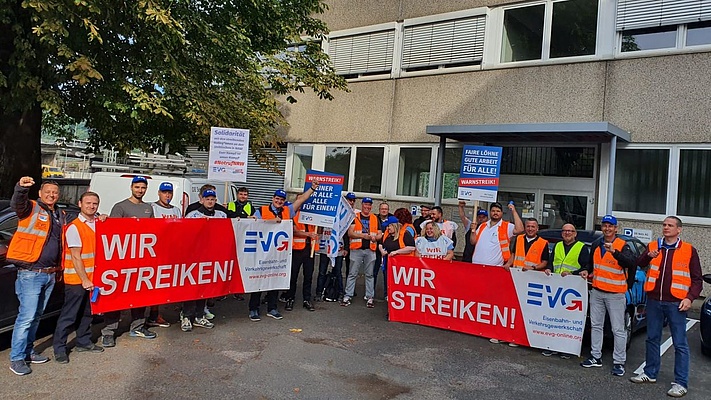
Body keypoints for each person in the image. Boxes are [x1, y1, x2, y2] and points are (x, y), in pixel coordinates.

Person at [629, 216, 703, 398]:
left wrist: (690, 298)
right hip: (654, 300)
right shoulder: (654, 246)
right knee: (652, 338)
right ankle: (650, 373)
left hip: (676, 303)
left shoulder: (688, 250)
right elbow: (639, 264)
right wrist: (648, 255)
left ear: (679, 230)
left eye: (670, 225)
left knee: (680, 344)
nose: (666, 227)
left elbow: (697, 279)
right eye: (664, 225)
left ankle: (680, 383)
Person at [7, 178, 68, 376]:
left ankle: (28, 351)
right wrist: (21, 189)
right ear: (40, 193)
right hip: (30, 273)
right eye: (48, 192)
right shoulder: (31, 208)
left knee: (36, 317)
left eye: (55, 193)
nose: (51, 195)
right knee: (26, 317)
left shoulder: (60, 214)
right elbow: (17, 203)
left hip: (50, 274)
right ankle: (16, 358)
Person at [249, 184, 318, 321]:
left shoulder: (287, 210)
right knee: (259, 281)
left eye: (282, 199)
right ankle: (253, 309)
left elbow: (302, 199)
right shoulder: (262, 210)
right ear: (272, 198)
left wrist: (312, 188)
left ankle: (272, 308)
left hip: (279, 254)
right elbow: (251, 222)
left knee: (275, 280)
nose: (279, 201)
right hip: (263, 252)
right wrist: (270, 221)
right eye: (277, 199)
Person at [101, 176, 156, 348]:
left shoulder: (148, 208)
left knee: (140, 295)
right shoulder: (120, 207)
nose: (140, 190)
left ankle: (138, 327)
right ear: (131, 187)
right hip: (122, 260)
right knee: (117, 296)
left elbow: (153, 231)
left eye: (143, 187)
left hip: (142, 259)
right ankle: (108, 332)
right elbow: (112, 233)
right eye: (137, 187)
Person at [580, 215, 636, 377]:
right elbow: (591, 263)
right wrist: (587, 270)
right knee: (596, 326)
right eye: (604, 226)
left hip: (616, 294)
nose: (607, 228)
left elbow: (631, 263)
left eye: (610, 226)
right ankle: (595, 356)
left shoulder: (623, 245)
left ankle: (619, 362)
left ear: (616, 228)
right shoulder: (597, 244)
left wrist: (615, 252)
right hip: (597, 291)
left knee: (618, 329)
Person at [53, 192, 105, 364]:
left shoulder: (98, 223)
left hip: (93, 278)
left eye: (95, 204)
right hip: (77, 279)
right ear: (80, 204)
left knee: (88, 313)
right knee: (69, 315)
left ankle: (83, 341)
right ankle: (59, 348)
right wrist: (84, 279)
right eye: (88, 203)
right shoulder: (75, 227)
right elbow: (76, 256)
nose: (91, 206)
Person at [541, 223, 589, 359]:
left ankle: (566, 349)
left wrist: (573, 272)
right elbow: (552, 262)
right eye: (565, 231)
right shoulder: (558, 246)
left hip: (572, 289)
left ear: (575, 233)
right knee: (553, 318)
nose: (567, 233)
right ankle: (551, 346)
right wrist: (549, 268)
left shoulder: (582, 247)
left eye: (570, 231)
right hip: (555, 287)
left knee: (567, 321)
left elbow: (587, 267)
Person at [181, 189, 226, 331]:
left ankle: (200, 316)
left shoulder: (222, 215)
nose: (210, 201)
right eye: (207, 199)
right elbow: (185, 235)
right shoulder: (192, 215)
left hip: (211, 257)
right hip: (194, 257)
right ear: (201, 200)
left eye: (213, 199)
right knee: (191, 287)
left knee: (204, 287)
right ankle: (186, 316)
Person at [146, 181, 182, 329]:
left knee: (166, 284)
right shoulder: (152, 208)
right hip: (156, 251)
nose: (167, 195)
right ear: (159, 193)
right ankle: (152, 314)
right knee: (154, 285)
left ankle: (159, 313)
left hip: (171, 251)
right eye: (164, 192)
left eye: (169, 193)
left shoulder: (177, 210)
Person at [342, 197, 382, 307]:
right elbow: (350, 233)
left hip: (370, 250)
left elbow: (379, 233)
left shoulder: (374, 218)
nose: (367, 207)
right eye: (365, 204)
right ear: (362, 205)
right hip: (356, 249)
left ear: (371, 206)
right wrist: (363, 236)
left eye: (369, 205)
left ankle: (370, 297)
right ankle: (348, 295)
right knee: (352, 274)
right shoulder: (356, 217)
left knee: (370, 275)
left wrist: (376, 238)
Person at [283, 210, 318, 312]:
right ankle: (290, 298)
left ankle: (307, 299)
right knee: (293, 276)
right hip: (297, 250)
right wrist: (308, 234)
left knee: (308, 276)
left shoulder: (314, 216)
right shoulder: (294, 215)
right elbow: (293, 231)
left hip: (310, 249)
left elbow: (318, 231)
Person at [377, 216, 415, 305]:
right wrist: (382, 250)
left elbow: (411, 248)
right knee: (387, 278)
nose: (387, 228)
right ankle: (388, 295)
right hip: (388, 262)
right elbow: (381, 244)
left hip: (402, 264)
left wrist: (397, 252)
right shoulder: (387, 233)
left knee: (400, 282)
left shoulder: (405, 234)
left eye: (389, 226)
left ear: (394, 226)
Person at [315, 226, 346, 301]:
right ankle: (319, 292)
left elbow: (345, 232)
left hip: (338, 248)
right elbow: (318, 231)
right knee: (322, 272)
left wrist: (346, 248)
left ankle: (340, 292)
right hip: (325, 248)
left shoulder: (340, 216)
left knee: (338, 272)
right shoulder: (325, 216)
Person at [373, 202, 393, 298]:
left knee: (387, 273)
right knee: (374, 271)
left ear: (388, 210)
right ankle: (371, 292)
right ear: (379, 210)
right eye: (382, 209)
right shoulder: (374, 218)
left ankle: (387, 293)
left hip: (389, 249)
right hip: (376, 248)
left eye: (386, 209)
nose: (384, 210)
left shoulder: (392, 219)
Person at [343, 192, 357, 280]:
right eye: (349, 200)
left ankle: (349, 288)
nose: (351, 202)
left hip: (352, 244)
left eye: (353, 200)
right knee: (336, 268)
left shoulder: (356, 214)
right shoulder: (341, 211)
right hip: (342, 242)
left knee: (350, 268)